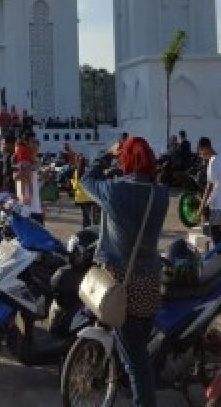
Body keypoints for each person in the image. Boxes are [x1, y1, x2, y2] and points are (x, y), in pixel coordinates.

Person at [80, 136, 169, 407]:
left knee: (136, 366)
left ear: (125, 160)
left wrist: (106, 155)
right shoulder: (160, 194)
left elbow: (86, 180)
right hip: (150, 283)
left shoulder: (115, 191)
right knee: (138, 350)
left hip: (120, 285)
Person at [197, 137, 221, 243]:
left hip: (215, 205)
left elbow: (209, 186)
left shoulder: (212, 161)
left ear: (205, 148)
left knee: (216, 237)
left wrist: (202, 206)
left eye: (200, 151)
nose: (201, 155)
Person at [72, 155, 95, 228]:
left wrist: (72, 181)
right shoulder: (89, 171)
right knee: (89, 216)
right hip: (89, 196)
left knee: (85, 216)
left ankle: (85, 229)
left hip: (81, 197)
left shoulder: (76, 172)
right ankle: (89, 229)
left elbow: (75, 186)